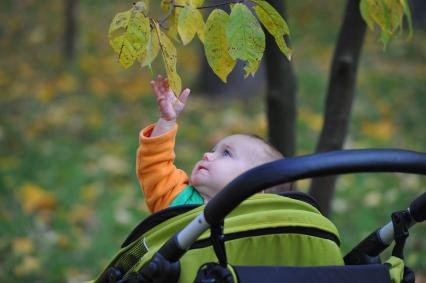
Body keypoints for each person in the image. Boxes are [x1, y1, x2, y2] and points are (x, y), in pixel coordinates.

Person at [137, 75, 291, 213]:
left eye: (226, 153)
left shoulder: (252, 231)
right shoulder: (178, 197)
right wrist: (167, 121)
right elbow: (155, 165)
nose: (207, 155)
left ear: (255, 189)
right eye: (213, 150)